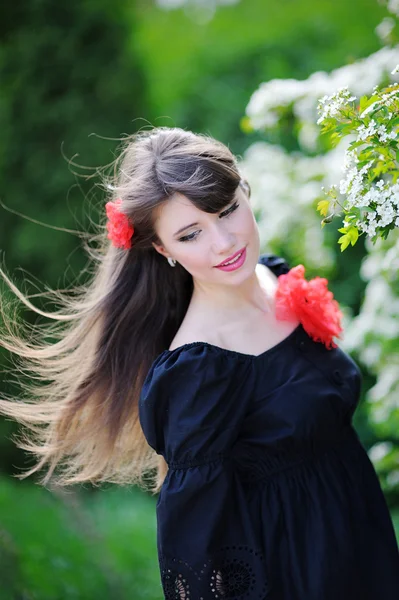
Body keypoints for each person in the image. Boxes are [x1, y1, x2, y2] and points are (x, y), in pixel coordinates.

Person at [0, 126, 398, 599]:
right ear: (163, 250)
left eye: (227, 211)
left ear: (244, 190)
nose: (225, 243)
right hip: (300, 570)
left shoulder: (274, 274)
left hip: (361, 531)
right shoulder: (197, 371)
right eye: (191, 234)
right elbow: (198, 545)